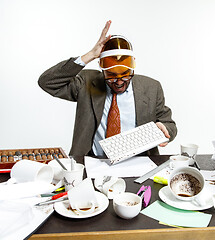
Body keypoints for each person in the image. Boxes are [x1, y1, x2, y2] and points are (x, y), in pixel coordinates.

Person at [38, 20, 177, 157]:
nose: (119, 82)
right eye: (111, 76)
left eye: (125, 75)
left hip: (138, 161)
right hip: (94, 161)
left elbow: (168, 123)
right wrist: (90, 55)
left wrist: (165, 129)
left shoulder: (151, 87)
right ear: (102, 68)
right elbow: (47, 82)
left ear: (132, 67)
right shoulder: (86, 82)